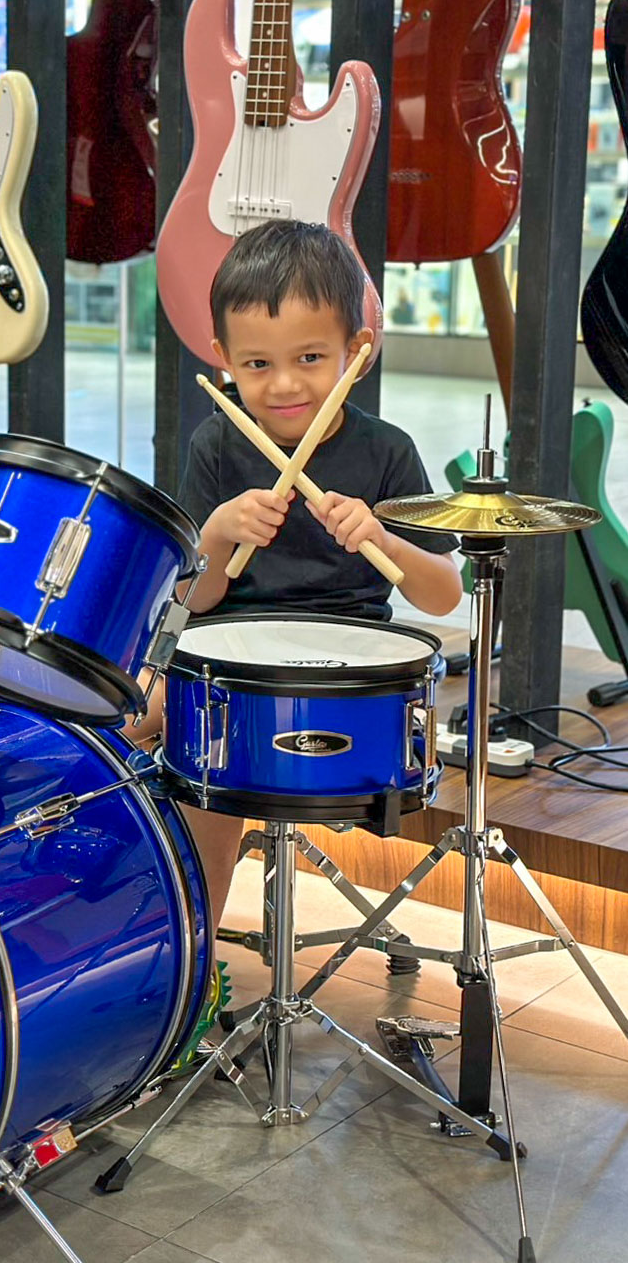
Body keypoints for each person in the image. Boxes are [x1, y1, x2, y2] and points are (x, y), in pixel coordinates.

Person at [129, 220, 462, 931]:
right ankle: (186, 949)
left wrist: (382, 538)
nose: (283, 385)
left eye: (310, 357)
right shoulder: (218, 444)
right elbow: (195, 598)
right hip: (231, 655)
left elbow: (442, 595)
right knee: (130, 721)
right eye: (256, 364)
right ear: (222, 359)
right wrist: (218, 533)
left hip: (348, 667)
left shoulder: (386, 452)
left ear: (356, 352)